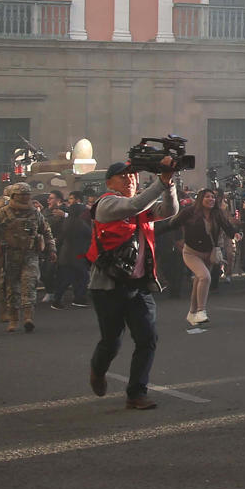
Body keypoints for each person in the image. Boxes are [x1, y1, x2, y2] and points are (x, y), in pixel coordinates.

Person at [86, 158, 179, 410]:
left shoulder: (142, 204)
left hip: (138, 285)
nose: (130, 179)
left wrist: (169, 183)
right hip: (108, 285)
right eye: (123, 176)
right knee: (111, 341)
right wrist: (160, 181)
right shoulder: (106, 204)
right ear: (109, 182)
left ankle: (136, 393)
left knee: (147, 338)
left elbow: (169, 211)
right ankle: (98, 370)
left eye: (133, 175)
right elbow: (134, 205)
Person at [0, 184, 56, 333]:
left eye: (27, 195)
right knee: (12, 288)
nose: (25, 198)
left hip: (30, 254)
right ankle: (13, 319)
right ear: (13, 196)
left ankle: (28, 317)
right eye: (21, 195)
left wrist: (51, 249)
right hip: (10, 255)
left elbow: (46, 231)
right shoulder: (3, 214)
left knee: (29, 284)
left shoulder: (35, 213)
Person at [176, 187, 233, 328]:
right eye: (207, 197)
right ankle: (201, 310)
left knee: (199, 281)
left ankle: (192, 312)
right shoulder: (190, 212)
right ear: (200, 199)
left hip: (208, 253)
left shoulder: (217, 214)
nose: (211, 199)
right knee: (205, 277)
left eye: (213, 197)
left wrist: (236, 234)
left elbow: (228, 228)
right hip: (191, 252)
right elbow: (173, 224)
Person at [50, 192, 93, 309]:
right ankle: (79, 299)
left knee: (67, 278)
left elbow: (61, 238)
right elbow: (91, 235)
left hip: (66, 254)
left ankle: (57, 300)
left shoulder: (67, 222)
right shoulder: (81, 224)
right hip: (78, 255)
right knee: (83, 277)